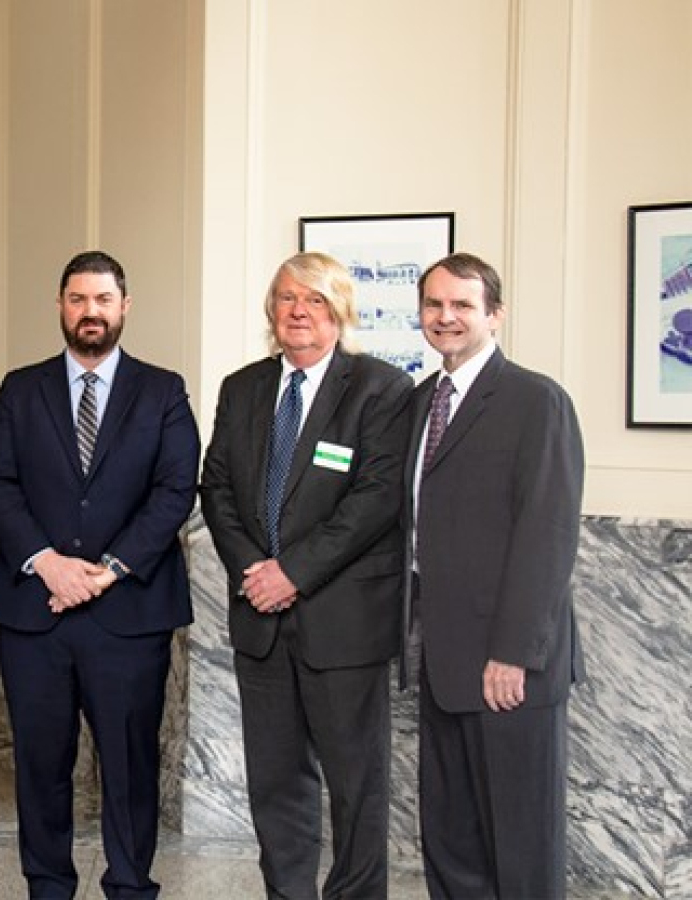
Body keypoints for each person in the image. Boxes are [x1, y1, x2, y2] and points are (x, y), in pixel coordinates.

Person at [0, 250, 200, 900]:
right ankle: (48, 887)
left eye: (103, 299)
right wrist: (46, 562)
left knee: (129, 768)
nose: (91, 312)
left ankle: (131, 887)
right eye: (78, 299)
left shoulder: (163, 390)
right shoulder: (22, 388)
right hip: (35, 614)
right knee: (40, 767)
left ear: (124, 307)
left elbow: (175, 489)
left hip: (129, 615)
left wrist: (106, 571)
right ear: (60, 306)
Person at [199, 252, 412, 899]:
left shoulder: (380, 389)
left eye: (315, 300)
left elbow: (375, 501)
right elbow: (218, 490)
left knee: (355, 785)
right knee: (276, 781)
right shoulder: (243, 387)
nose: (298, 311)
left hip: (342, 625)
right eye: (288, 298)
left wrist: (292, 572)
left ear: (339, 311)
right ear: (271, 310)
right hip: (261, 624)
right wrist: (253, 571)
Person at [407, 253, 584, 899]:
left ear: (495, 316)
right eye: (434, 305)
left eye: (462, 305)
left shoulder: (536, 400)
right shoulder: (422, 400)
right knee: (452, 839)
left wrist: (511, 654)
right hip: (441, 659)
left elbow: (548, 536)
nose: (446, 317)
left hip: (509, 668)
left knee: (519, 842)